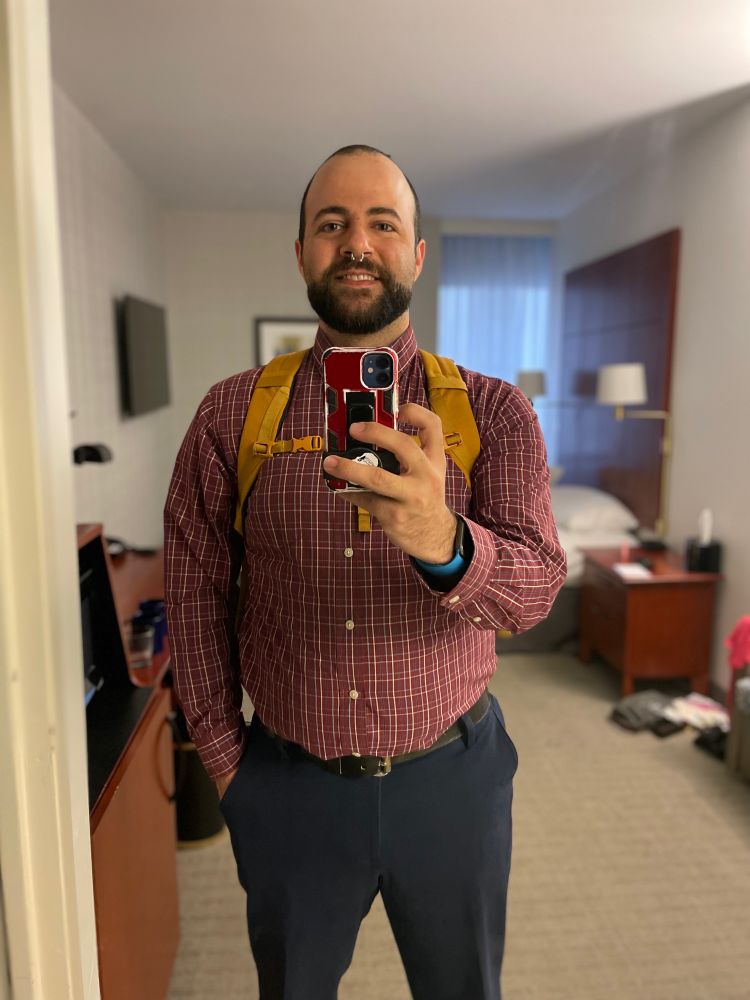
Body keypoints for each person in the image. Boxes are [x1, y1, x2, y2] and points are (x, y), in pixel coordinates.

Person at [164, 144, 566, 1000]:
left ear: (417, 254)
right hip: (285, 786)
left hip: (453, 782)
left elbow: (535, 592)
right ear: (303, 250)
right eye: (332, 223)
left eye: (384, 223)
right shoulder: (232, 413)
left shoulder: (494, 410)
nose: (358, 242)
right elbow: (195, 592)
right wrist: (229, 765)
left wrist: (445, 540)